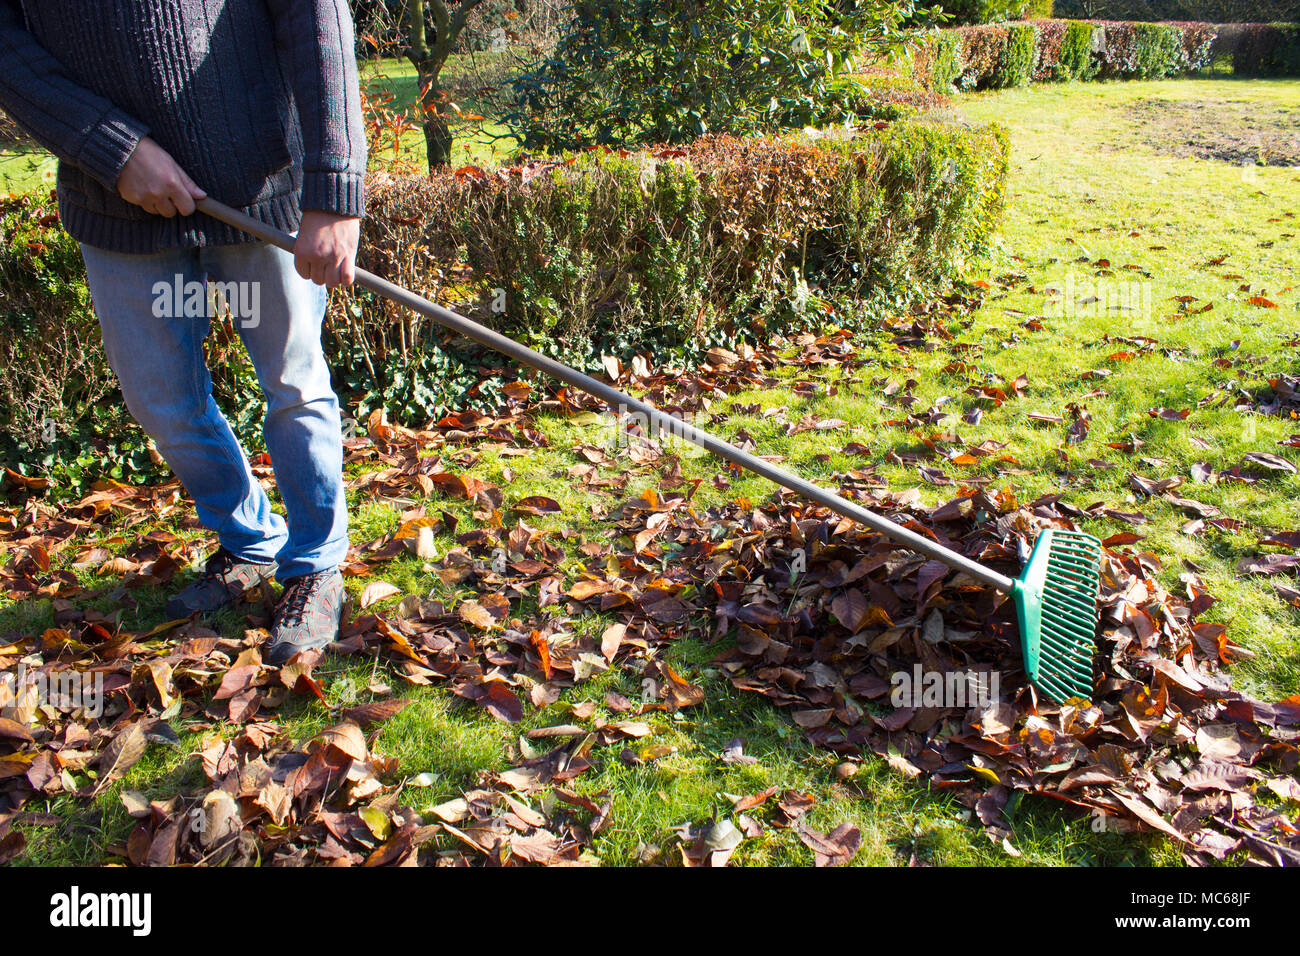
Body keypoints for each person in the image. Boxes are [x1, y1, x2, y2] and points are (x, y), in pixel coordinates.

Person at [0, 1, 368, 664]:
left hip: (260, 190)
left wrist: (334, 189)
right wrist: (111, 148)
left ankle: (315, 563)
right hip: (111, 200)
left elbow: (315, 15)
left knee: (295, 382)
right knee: (160, 398)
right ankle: (250, 537)